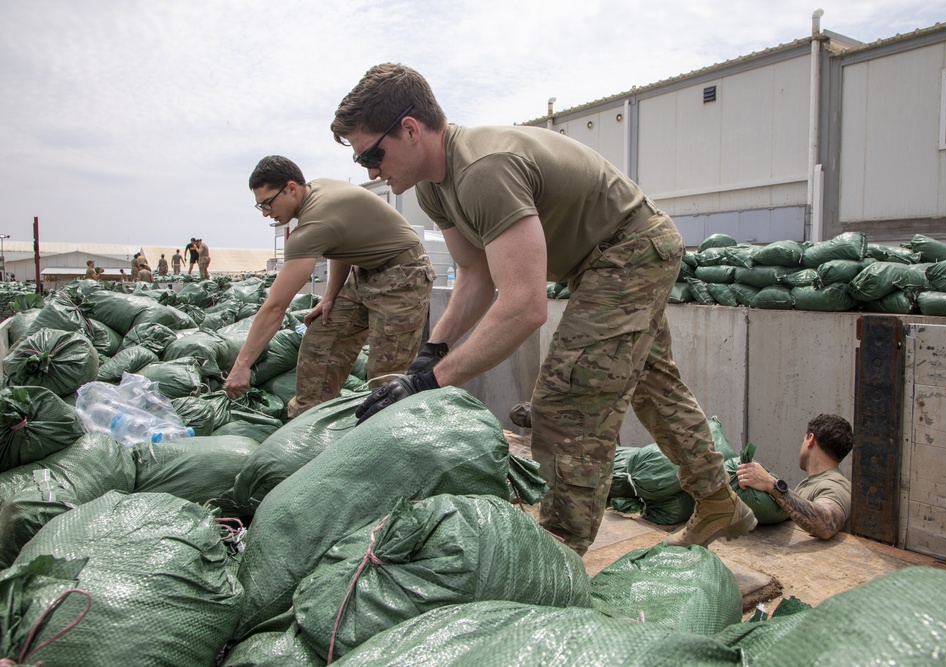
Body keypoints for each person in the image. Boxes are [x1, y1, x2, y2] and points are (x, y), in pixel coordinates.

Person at [333, 63, 755, 555]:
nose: (369, 171)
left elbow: (524, 307)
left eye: (372, 154)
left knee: (567, 400)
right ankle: (718, 502)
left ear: (409, 129)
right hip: (600, 261)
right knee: (652, 385)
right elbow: (475, 275)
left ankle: (558, 553)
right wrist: (431, 351)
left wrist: (430, 381)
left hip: (631, 247)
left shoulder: (483, 171)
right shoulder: (431, 187)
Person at [224, 155, 436, 419]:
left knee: (385, 379)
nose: (266, 213)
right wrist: (329, 297)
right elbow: (341, 244)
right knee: (320, 340)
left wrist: (242, 366)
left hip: (403, 276)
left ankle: (384, 439)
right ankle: (306, 418)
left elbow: (276, 307)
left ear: (291, 188)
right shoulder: (315, 192)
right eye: (260, 207)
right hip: (364, 273)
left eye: (267, 203)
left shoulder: (312, 224)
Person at [737, 414, 854, 540]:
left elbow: (826, 526)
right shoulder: (807, 484)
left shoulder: (836, 485)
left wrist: (772, 485)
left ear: (810, 439)